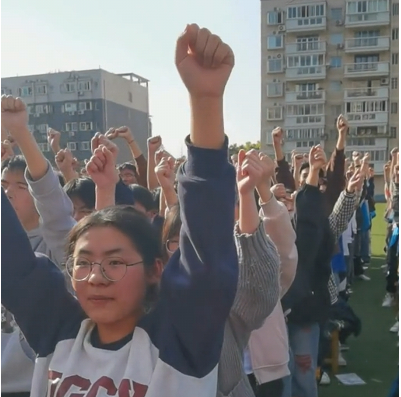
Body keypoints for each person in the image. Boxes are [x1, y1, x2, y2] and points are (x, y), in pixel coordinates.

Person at [2, 24, 240, 397]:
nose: (96, 277)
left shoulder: (178, 342)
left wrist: (206, 101)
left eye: (115, 262)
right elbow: (12, 262)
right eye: (83, 263)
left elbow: (208, 254)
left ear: (154, 270)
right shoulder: (58, 330)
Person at [161, 149, 283, 397]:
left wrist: (247, 195)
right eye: (176, 244)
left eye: (201, 244)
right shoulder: (152, 300)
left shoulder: (223, 296)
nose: (188, 255)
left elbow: (257, 290)